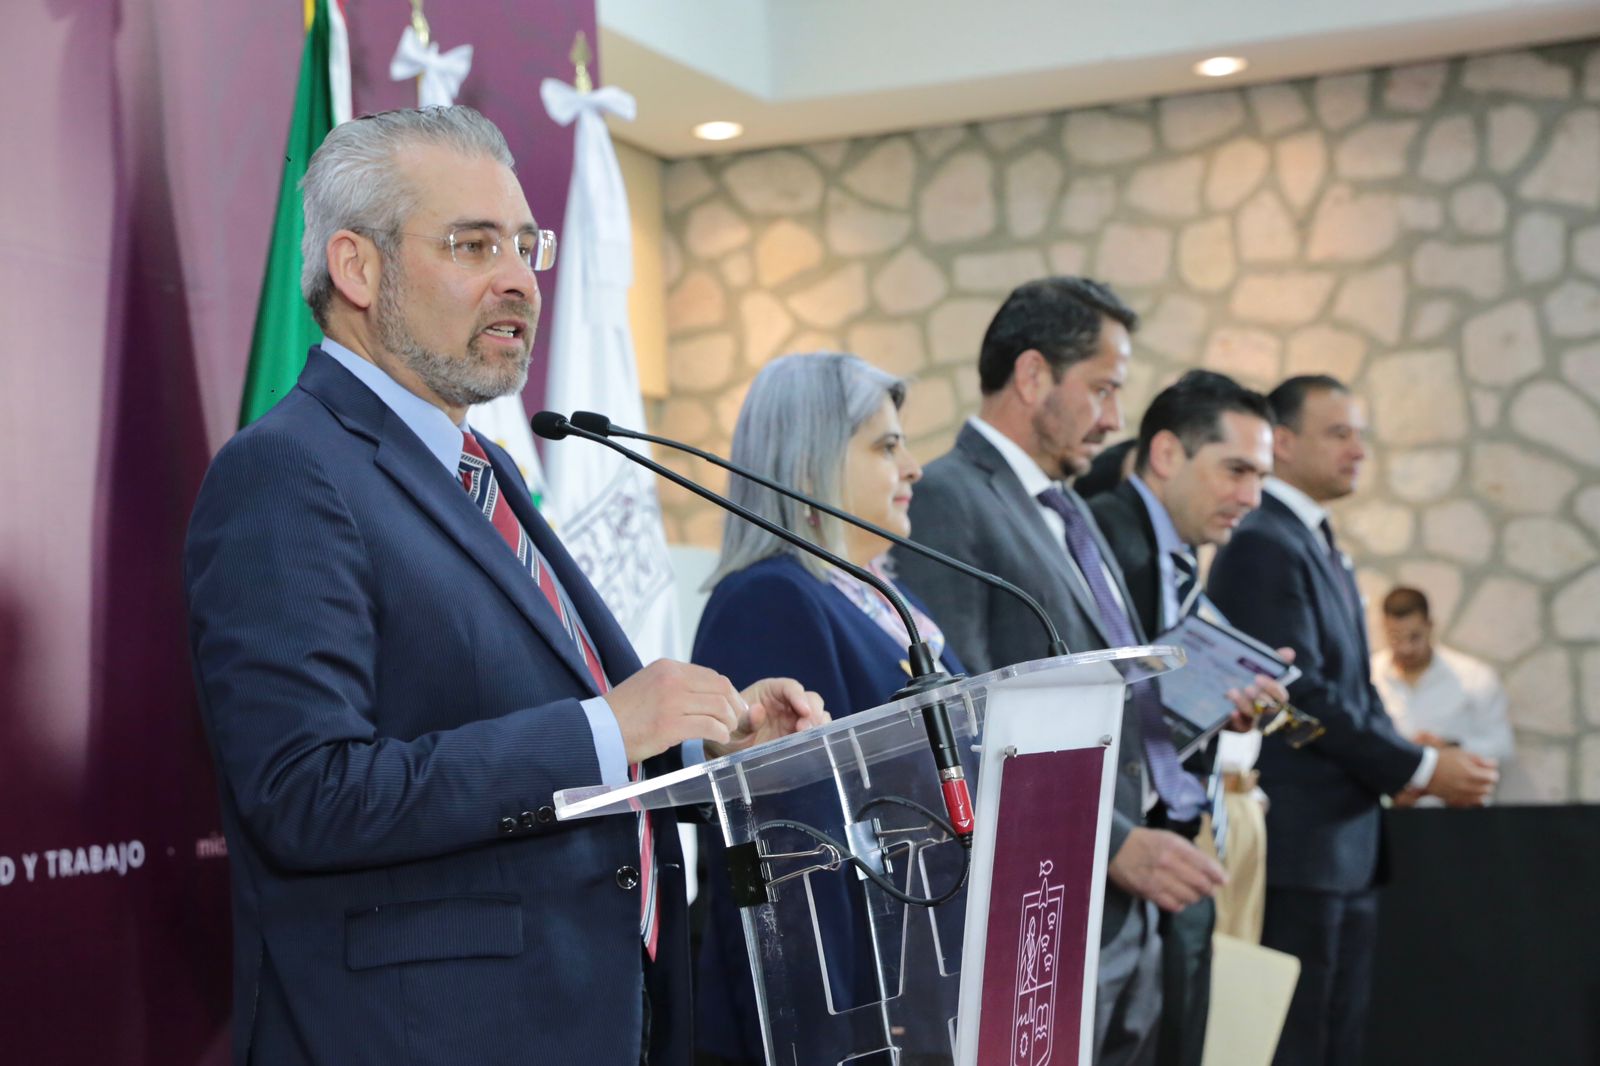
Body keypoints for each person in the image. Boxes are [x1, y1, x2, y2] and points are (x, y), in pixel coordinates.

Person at [183, 106, 826, 1066]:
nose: (521, 278)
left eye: (526, 246)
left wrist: (707, 749)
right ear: (357, 269)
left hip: (594, 1018)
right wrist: (608, 728)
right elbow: (307, 795)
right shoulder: (286, 471)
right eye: (473, 244)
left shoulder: (487, 469)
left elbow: (518, 725)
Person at [891, 277, 1277, 1066]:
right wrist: (1114, 845)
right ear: (1034, 376)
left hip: (1116, 907)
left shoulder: (1067, 510)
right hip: (1049, 891)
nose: (1114, 419)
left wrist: (1205, 703)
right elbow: (958, 720)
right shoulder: (949, 498)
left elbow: (1105, 691)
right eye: (1102, 389)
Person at [1207, 375, 1498, 1066]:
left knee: (1337, 1043)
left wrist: (1402, 755)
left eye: (1359, 434)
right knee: (1298, 1045)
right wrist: (1418, 768)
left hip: (1341, 843)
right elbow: (1297, 693)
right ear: (1283, 442)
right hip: (1302, 845)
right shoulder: (1261, 541)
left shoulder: (1311, 537)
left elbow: (1353, 688)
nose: (1359, 450)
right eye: (1339, 433)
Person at [689, 352, 964, 1066]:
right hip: (846, 1014)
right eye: (886, 446)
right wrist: (837, 1040)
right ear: (808, 467)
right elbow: (787, 857)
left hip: (920, 982)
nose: (914, 469)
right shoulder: (769, 599)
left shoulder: (883, 597)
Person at [1087, 369, 1279, 1066]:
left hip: (1164, 848)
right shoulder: (1100, 537)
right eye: (1236, 470)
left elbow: (1146, 704)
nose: (1251, 497)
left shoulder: (1173, 554)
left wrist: (1218, 701)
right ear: (1168, 453)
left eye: (1260, 477)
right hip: (1104, 861)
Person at [1373, 586, 1515, 802]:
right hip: (1388, 809)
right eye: (1395, 637)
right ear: (1384, 628)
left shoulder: (1473, 676)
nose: (1405, 648)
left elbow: (1502, 746)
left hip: (1457, 812)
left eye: (1414, 637)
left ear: (1429, 625)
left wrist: (1449, 747)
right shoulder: (1368, 675)